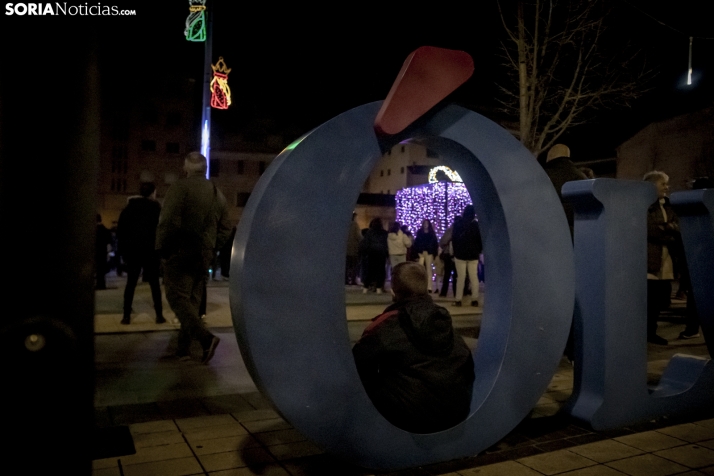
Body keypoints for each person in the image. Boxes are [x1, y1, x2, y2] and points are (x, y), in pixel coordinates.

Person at [352, 261, 474, 433]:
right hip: (456, 414)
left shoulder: (387, 325)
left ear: (394, 292)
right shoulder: (443, 322)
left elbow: (356, 365)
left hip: (409, 418)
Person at [156, 152, 231, 363]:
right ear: (204, 169)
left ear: (186, 169)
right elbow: (226, 228)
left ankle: (206, 340)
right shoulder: (218, 194)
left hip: (180, 253)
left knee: (176, 298)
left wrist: (162, 249)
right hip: (204, 256)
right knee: (192, 303)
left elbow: (168, 222)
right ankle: (183, 351)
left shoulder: (179, 188)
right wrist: (212, 247)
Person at [117, 182, 165, 325]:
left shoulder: (128, 209)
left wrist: (123, 253)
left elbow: (121, 232)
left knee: (130, 284)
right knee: (155, 285)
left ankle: (126, 316)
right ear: (152, 193)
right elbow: (161, 231)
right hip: (151, 252)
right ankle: (159, 315)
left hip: (133, 252)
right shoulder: (156, 209)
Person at [644, 170, 680, 346]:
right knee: (649, 300)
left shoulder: (668, 206)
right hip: (650, 260)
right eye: (663, 184)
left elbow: (677, 227)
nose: (667, 187)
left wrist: (666, 229)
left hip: (666, 260)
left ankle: (652, 331)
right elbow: (650, 229)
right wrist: (668, 230)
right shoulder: (644, 206)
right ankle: (647, 332)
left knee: (660, 301)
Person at [678, 177, 713, 339]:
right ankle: (692, 328)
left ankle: (692, 328)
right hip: (702, 258)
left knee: (696, 297)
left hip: (698, 259)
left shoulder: (693, 210)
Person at [542, 144, 588, 238]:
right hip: (578, 232)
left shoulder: (543, 176)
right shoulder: (581, 177)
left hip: (550, 231)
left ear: (550, 156)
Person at [452, 206, 482, 307]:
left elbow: (454, 239)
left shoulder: (458, 224)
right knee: (473, 277)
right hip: (473, 254)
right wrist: (478, 250)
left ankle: (458, 299)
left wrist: (456, 251)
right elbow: (480, 240)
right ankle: (474, 299)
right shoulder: (475, 225)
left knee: (460, 277)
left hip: (460, 254)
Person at [360, 218, 389, 293]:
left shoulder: (369, 232)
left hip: (371, 253)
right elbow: (386, 244)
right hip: (381, 253)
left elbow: (365, 244)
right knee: (380, 271)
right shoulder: (384, 233)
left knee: (370, 270)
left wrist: (365, 253)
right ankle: (379, 287)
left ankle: (366, 287)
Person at [412, 219, 439, 293]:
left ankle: (429, 287)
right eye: (424, 223)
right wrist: (417, 252)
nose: (425, 225)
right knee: (420, 269)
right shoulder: (420, 233)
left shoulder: (431, 234)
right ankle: (419, 286)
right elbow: (416, 243)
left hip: (429, 253)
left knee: (429, 270)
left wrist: (434, 254)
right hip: (421, 252)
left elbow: (435, 244)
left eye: (427, 223)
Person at [438, 217, 459, 298]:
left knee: (447, 274)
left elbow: (442, 242)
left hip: (449, 254)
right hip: (456, 255)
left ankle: (444, 292)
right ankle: (456, 292)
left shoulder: (450, 230)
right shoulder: (459, 231)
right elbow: (442, 242)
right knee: (455, 275)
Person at [95, 214, 112, 290]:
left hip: (96, 251)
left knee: (98, 269)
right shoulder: (106, 230)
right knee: (101, 270)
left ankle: (99, 284)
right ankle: (102, 284)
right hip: (103, 251)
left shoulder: (94, 231)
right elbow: (109, 242)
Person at [346, 212, 363, 285]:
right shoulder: (355, 225)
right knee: (354, 266)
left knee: (346, 266)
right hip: (353, 248)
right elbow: (359, 236)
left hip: (346, 249)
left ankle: (345, 280)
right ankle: (353, 280)